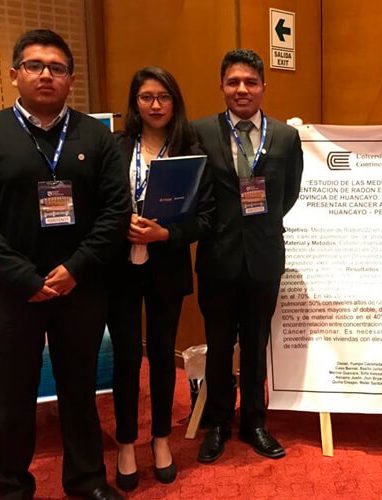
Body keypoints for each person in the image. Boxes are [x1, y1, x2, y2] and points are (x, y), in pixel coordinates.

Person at [0, 29, 130, 500]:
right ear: (14, 74)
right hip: (12, 290)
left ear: (70, 80)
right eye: (34, 66)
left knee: (80, 390)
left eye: (56, 68)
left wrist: (76, 268)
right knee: (12, 394)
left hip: (81, 286)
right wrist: (23, 277)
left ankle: (87, 480)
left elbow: (116, 211)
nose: (45, 75)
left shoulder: (96, 136)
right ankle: (11, 485)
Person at [192, 48, 303, 463]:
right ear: (222, 86)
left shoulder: (286, 137)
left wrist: (260, 225)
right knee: (220, 345)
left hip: (264, 256)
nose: (242, 89)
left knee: (257, 344)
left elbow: (289, 193)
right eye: (233, 82)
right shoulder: (200, 132)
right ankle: (219, 423)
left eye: (250, 82)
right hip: (217, 257)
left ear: (263, 87)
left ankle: (255, 421)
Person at [107, 67, 213, 491]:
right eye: (146, 97)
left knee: (164, 356)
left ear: (175, 102)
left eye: (163, 97)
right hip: (120, 266)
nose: (155, 105)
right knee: (127, 356)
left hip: (167, 264)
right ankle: (126, 443)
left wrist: (166, 234)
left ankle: (161, 438)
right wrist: (122, 224)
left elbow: (206, 218)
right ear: (135, 103)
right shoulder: (115, 147)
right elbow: (100, 204)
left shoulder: (191, 151)